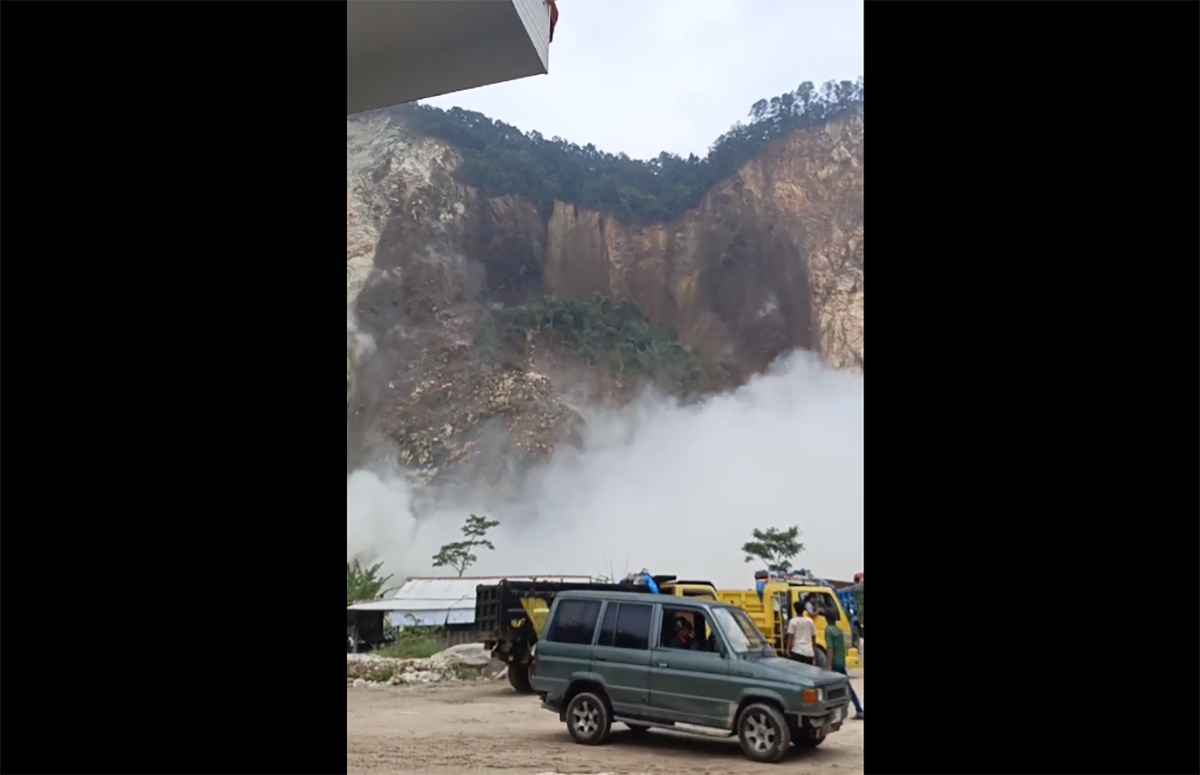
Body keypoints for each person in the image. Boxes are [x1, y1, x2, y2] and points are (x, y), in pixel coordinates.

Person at [820, 608, 863, 720]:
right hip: (841, 662)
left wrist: (828, 665)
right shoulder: (838, 630)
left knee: (831, 691)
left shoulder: (828, 630)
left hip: (834, 664)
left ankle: (833, 714)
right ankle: (859, 709)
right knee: (847, 687)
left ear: (826, 619)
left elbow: (830, 649)